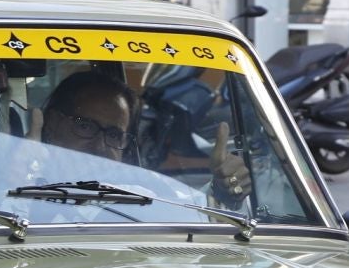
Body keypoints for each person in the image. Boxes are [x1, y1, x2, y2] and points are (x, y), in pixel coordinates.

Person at [39, 68, 251, 201]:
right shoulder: (15, 183)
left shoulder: (141, 195)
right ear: (52, 123)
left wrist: (222, 189)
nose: (100, 147)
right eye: (85, 126)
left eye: (114, 135)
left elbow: (189, 216)